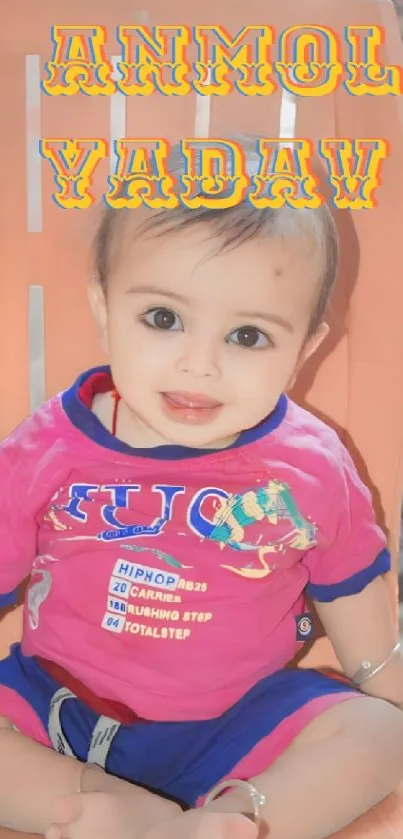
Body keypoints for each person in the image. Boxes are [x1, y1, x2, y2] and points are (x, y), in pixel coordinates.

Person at [0, 138, 403, 839]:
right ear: (103, 306)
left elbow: (352, 589)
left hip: (238, 724)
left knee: (377, 735)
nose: (199, 363)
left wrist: (387, 695)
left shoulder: (306, 464)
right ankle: (101, 805)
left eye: (247, 335)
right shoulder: (46, 450)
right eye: (163, 319)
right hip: (53, 704)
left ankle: (230, 818)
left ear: (304, 348)